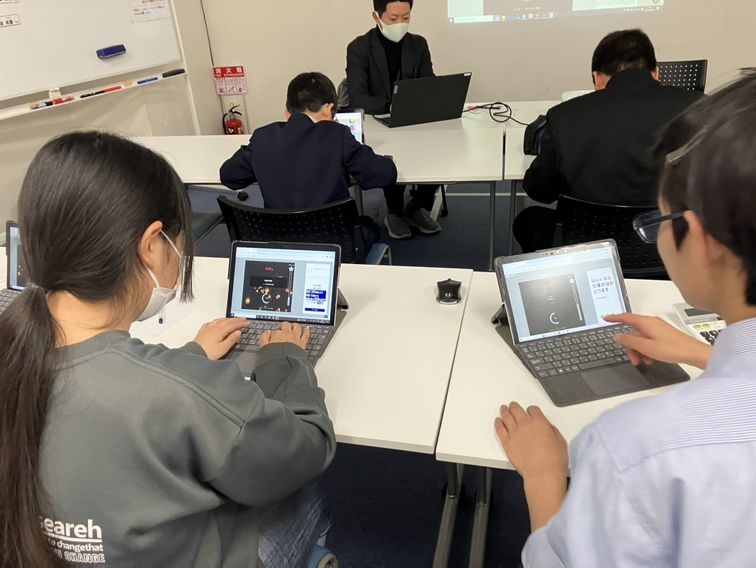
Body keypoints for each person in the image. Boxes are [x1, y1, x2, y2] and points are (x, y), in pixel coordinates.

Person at [0, 131, 337, 567]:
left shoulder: (15, 347)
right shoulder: (177, 392)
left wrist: (188, 359)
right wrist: (283, 361)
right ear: (151, 245)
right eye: (179, 243)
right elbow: (306, 448)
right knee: (307, 493)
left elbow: (122, 391)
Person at [496, 73, 756, 566]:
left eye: (656, 221)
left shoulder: (635, 449)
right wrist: (702, 353)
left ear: (701, 242)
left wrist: (545, 474)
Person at [514, 29, 703, 252]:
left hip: (588, 249)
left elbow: (540, 192)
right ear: (656, 74)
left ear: (597, 78)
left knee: (528, 219)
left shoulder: (565, 117)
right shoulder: (701, 108)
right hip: (673, 247)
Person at [220, 71, 396, 251]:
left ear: (287, 112)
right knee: (369, 225)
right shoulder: (337, 134)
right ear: (328, 110)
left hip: (280, 244)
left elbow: (229, 176)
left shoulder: (263, 137)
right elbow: (385, 175)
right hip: (337, 247)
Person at [346, 0, 442, 239]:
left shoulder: (418, 44)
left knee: (440, 146)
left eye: (406, 17)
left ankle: (417, 207)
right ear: (376, 17)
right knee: (389, 155)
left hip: (413, 120)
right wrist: (388, 106)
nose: (400, 23)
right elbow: (357, 96)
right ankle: (394, 212)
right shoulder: (359, 48)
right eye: (393, 18)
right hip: (377, 121)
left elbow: (429, 83)